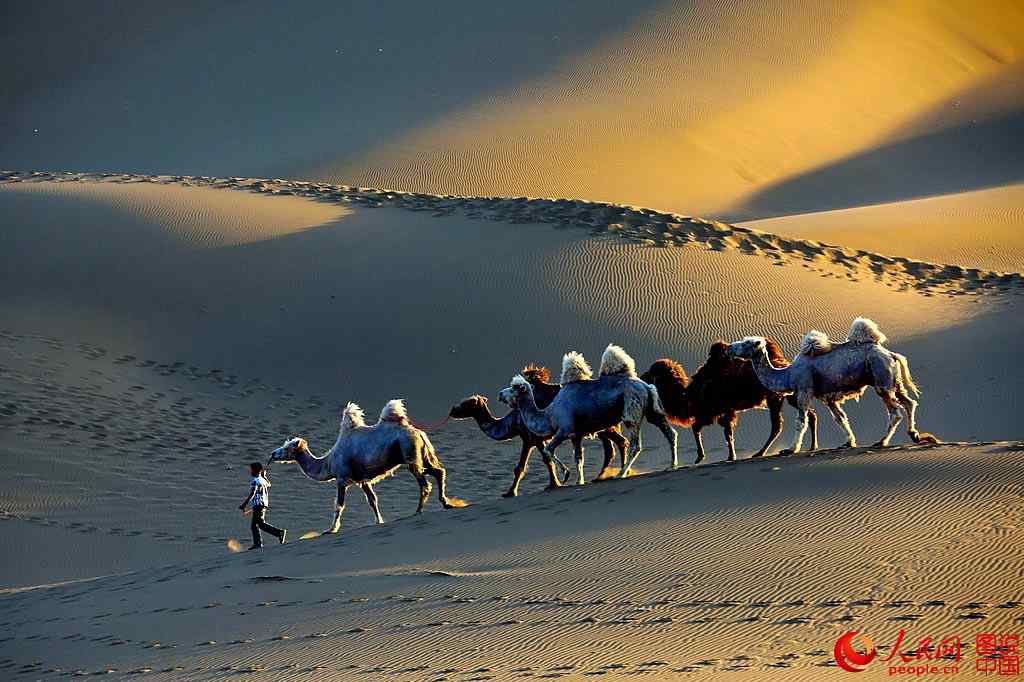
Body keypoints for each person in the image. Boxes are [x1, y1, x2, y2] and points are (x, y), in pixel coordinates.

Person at [239, 462, 287, 549]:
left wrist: (244, 504)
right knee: (255, 525)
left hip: (259, 505)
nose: (250, 471)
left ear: (255, 471)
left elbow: (253, 493)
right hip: (263, 504)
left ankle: (279, 533)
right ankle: (258, 543)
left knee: (260, 524)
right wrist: (264, 476)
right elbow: (269, 484)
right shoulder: (262, 479)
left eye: (251, 470)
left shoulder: (255, 480)